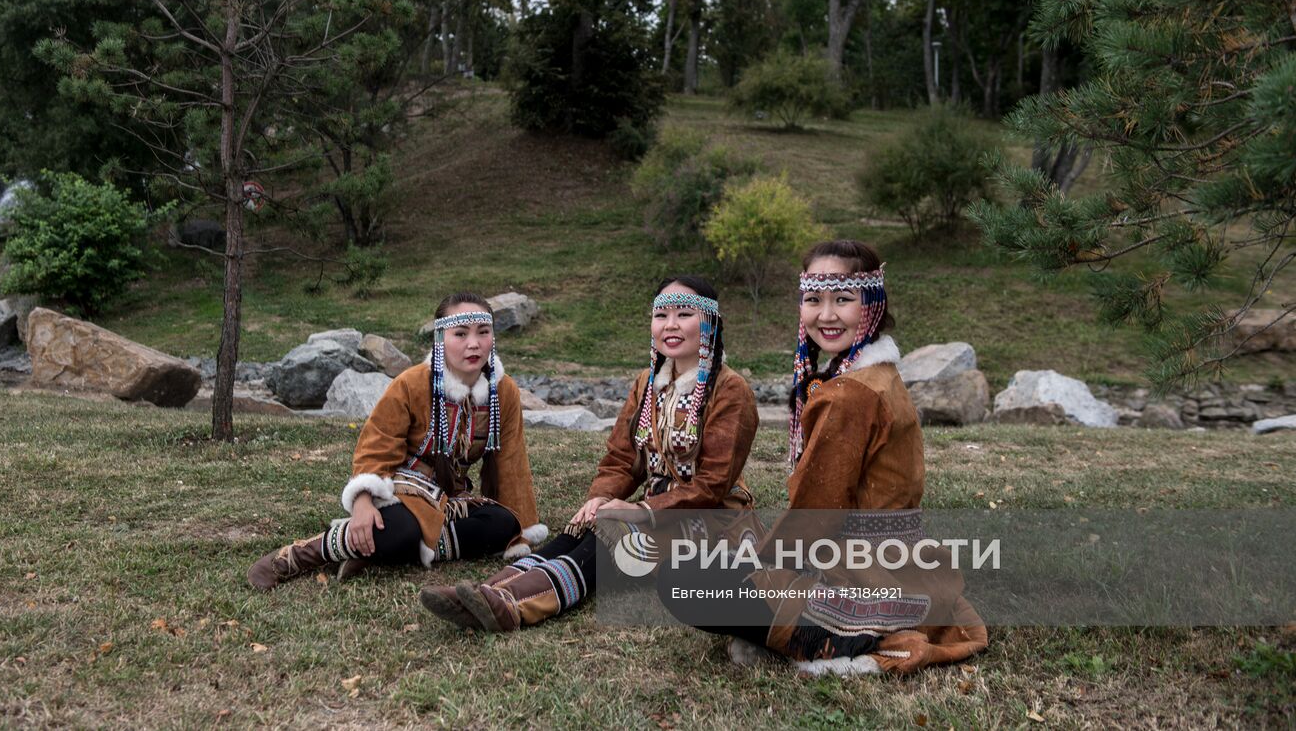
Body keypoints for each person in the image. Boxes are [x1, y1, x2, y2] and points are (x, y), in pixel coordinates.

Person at [665, 240, 988, 675]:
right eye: (814, 299)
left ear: (871, 303)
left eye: (843, 299)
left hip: (861, 571)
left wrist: (759, 566)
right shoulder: (875, 375)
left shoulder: (850, 395)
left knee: (685, 579)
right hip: (902, 565)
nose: (826, 314)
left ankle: (840, 640)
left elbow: (816, 513)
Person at [419, 275, 759, 632]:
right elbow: (621, 459)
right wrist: (600, 499)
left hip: (712, 520)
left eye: (684, 314)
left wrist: (641, 509)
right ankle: (484, 591)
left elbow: (713, 485)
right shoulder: (648, 381)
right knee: (577, 533)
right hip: (658, 510)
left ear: (710, 323)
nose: (670, 325)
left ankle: (511, 606)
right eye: (661, 315)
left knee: (604, 545)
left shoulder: (730, 390)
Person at [246, 293, 546, 590]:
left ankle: (382, 549)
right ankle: (301, 554)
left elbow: (511, 461)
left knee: (504, 524)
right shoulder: (412, 383)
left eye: (483, 332)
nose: (474, 343)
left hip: (450, 497)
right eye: (461, 334)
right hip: (399, 488)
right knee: (401, 530)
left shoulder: (503, 392)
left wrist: (521, 529)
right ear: (440, 339)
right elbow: (377, 445)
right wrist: (363, 501)